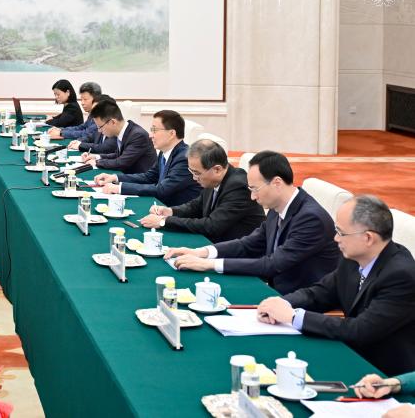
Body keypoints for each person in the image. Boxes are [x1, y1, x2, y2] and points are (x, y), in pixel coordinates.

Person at [257, 196, 415, 377]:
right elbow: (319, 294)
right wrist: (281, 304)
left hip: (384, 374)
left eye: (341, 233)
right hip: (352, 355)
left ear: (368, 238)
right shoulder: (354, 258)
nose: (335, 238)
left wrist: (293, 317)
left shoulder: (401, 276)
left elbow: (360, 330)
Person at [164, 150, 340, 294]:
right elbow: (249, 243)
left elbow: (273, 264)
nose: (252, 197)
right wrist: (201, 252)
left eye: (255, 189)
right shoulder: (278, 207)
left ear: (277, 183)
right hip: (274, 288)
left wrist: (209, 265)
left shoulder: (310, 218)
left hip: (299, 300)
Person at [139, 140, 265, 241]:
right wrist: (170, 211)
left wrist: (163, 221)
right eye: (191, 171)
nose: (194, 178)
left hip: (236, 253)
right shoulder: (214, 179)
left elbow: (212, 226)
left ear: (217, 169)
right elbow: (196, 206)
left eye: (197, 173)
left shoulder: (238, 186)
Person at [93, 110, 200, 206]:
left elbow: (162, 189)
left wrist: (119, 188)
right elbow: (149, 177)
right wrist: (115, 178)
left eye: (154, 130)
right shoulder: (165, 152)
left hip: (175, 212)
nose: (150, 135)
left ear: (172, 133)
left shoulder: (184, 158)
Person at [81, 100, 154, 174]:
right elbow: (118, 155)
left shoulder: (138, 135)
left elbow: (122, 162)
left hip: (138, 179)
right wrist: (97, 157)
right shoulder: (125, 131)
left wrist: (97, 162)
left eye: (100, 127)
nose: (99, 131)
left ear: (112, 122)